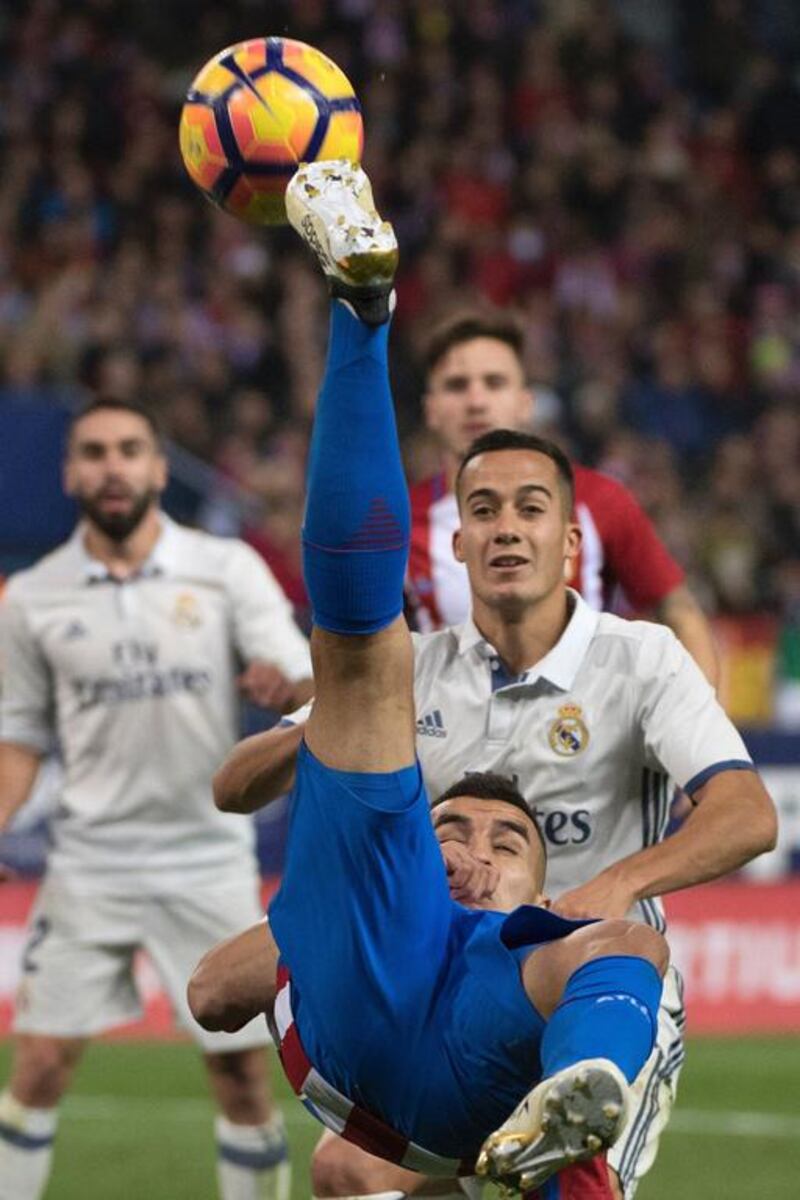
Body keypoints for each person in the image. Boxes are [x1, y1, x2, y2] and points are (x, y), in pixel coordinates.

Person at [194, 160, 776, 1200]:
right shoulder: (415, 663)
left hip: (573, 983)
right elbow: (233, 787)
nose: (506, 528)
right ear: (454, 544)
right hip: (432, 974)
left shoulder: (634, 658)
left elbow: (743, 815)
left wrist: (617, 885)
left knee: (506, 1147)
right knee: (356, 641)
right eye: (485, 513)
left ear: (569, 541)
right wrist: (318, 730)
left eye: (531, 511)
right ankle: (360, 306)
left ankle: (564, 1113)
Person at [0, 397, 314, 1200]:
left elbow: (304, 676)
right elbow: (19, 740)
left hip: (205, 860)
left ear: (157, 468)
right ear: (70, 473)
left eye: (130, 449)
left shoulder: (224, 567)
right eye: (96, 452)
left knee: (244, 1079)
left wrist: (285, 683)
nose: (113, 467)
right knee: (36, 1063)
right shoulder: (34, 596)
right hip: (88, 863)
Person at [407, 310, 720, 689]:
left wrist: (704, 729)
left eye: (494, 383)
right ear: (431, 410)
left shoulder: (599, 500)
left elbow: (680, 611)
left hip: (580, 737)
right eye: (457, 385)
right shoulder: (399, 521)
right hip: (449, 741)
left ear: (525, 402)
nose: (476, 401)